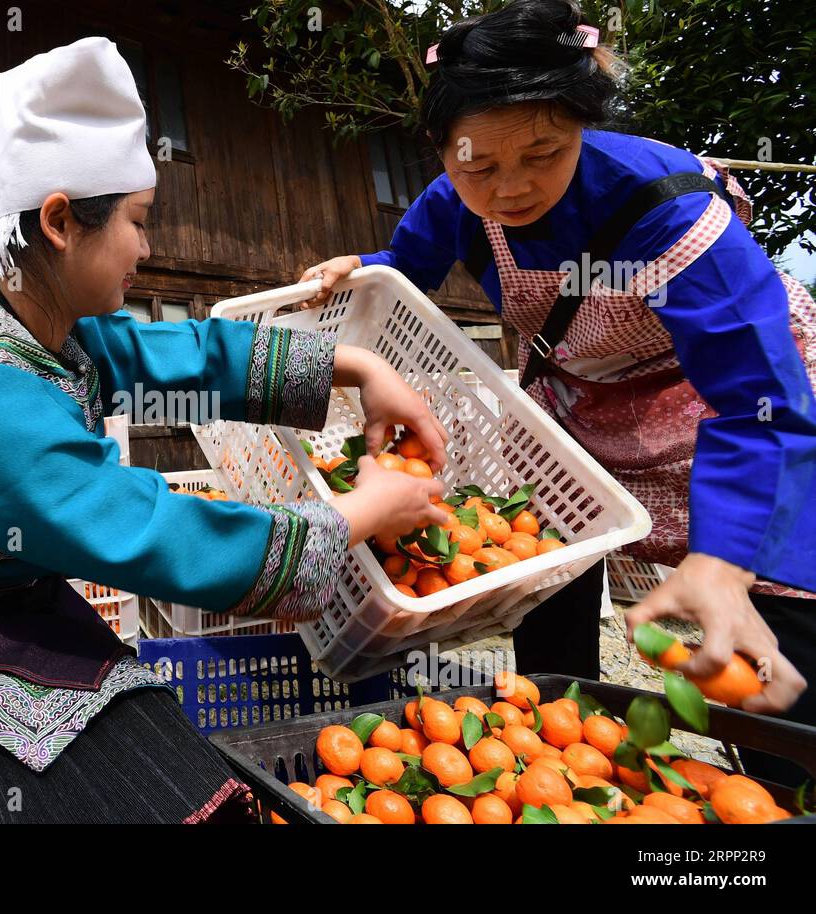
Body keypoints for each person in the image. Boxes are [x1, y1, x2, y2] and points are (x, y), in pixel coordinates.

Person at [0, 36, 450, 824]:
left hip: (4, 594)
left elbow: (181, 353)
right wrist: (360, 514)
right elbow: (143, 529)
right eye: (138, 223)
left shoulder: (56, 331)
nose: (146, 248)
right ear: (59, 222)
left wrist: (360, 366)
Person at [299, 0, 816, 783]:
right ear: (443, 152)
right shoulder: (454, 200)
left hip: (728, 416)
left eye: (544, 153)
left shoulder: (671, 215)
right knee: (553, 567)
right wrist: (356, 266)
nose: (510, 188)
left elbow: (757, 400)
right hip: (582, 412)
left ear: (582, 127)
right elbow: (406, 271)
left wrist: (722, 557)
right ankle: (566, 755)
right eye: (477, 165)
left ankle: (778, 786)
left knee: (760, 637)